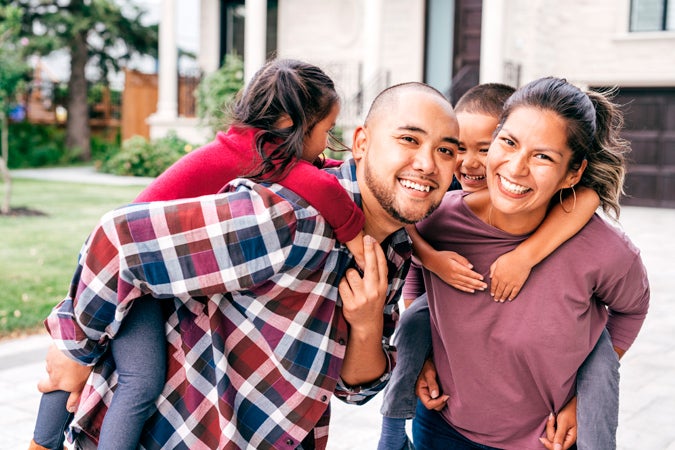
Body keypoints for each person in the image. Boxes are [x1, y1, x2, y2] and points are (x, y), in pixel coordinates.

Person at [37, 81, 461, 449]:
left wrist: (367, 325)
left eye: (445, 150)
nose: (427, 164)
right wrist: (76, 347)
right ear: (362, 142)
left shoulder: (396, 248)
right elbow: (119, 239)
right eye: (409, 139)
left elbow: (355, 388)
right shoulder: (290, 217)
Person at [410, 76, 650, 449]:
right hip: (442, 427)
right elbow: (414, 266)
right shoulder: (438, 219)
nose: (517, 168)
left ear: (573, 173)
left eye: (543, 156)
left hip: (543, 439)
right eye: (508, 142)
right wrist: (424, 355)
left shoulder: (603, 249)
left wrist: (581, 398)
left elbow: (632, 310)